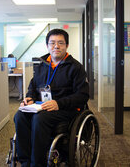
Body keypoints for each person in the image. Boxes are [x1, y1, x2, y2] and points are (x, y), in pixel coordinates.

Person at [14, 29, 89, 167]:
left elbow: (82, 95)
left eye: (60, 43)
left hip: (66, 109)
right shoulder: (42, 65)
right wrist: (29, 98)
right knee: (19, 116)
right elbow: (33, 86)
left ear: (67, 45)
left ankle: (37, 164)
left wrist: (58, 103)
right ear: (47, 46)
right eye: (52, 43)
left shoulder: (76, 67)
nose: (56, 46)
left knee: (40, 119)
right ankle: (25, 162)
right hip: (42, 106)